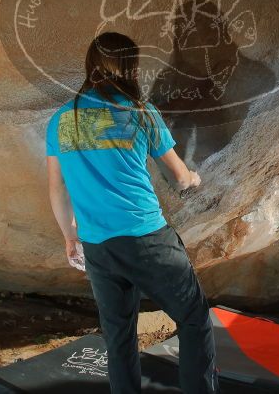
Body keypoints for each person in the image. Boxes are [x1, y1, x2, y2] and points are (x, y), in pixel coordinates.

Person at [45, 31, 220, 394]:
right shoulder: (141, 113)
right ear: (130, 69)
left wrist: (69, 236)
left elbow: (57, 188)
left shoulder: (63, 120)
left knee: (119, 335)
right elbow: (179, 176)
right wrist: (194, 178)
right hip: (147, 238)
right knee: (194, 318)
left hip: (97, 246)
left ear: (91, 66)